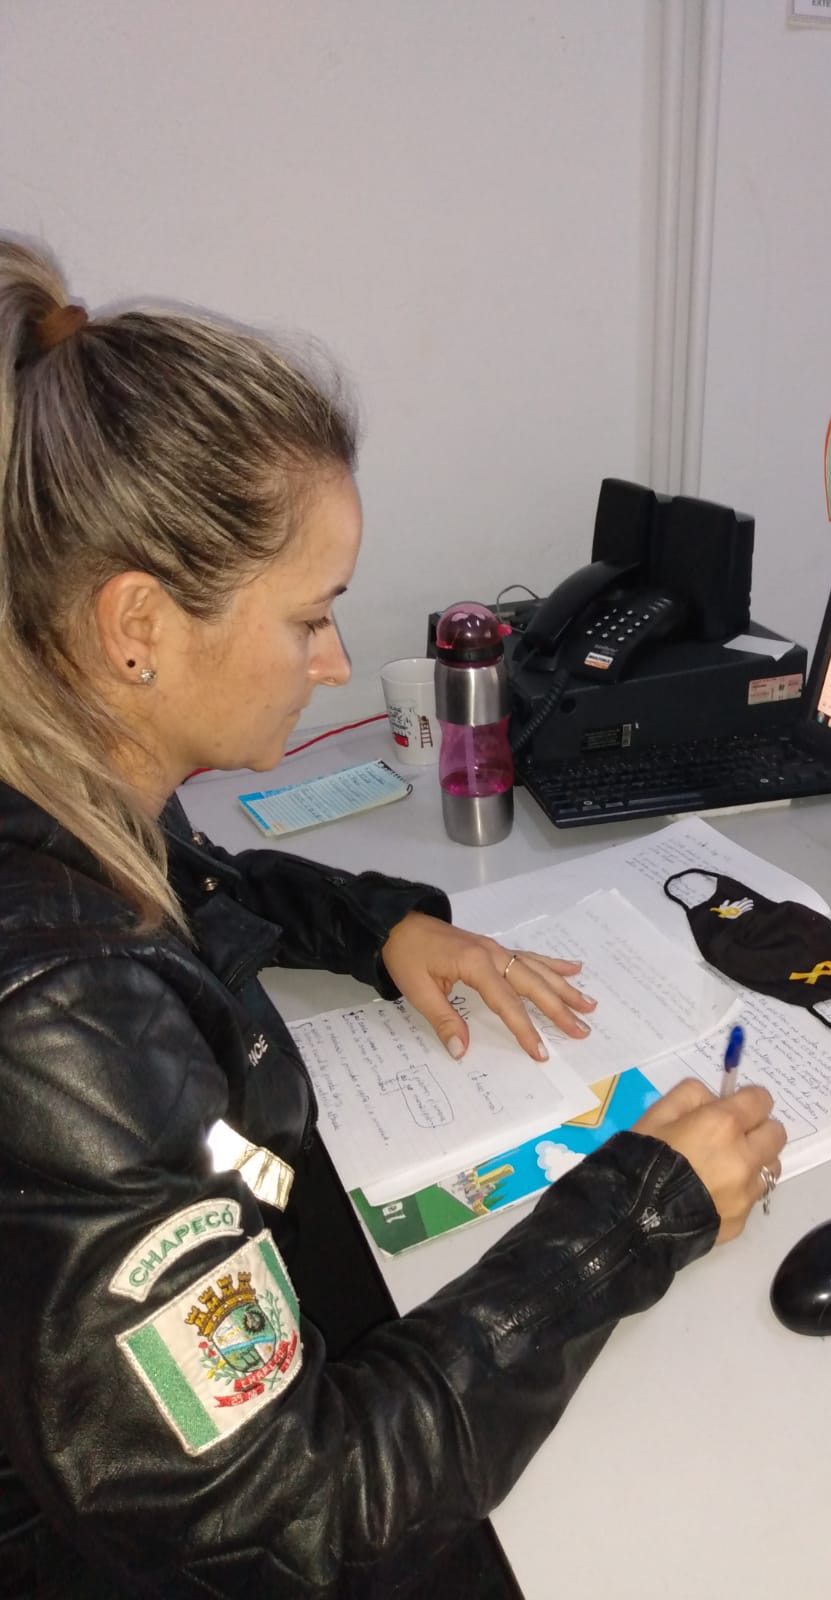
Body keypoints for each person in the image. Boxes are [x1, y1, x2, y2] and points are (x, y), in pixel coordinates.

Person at [0, 237, 785, 1598]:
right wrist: (636, 1214)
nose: (334, 663)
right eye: (309, 618)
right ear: (139, 625)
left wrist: (381, 928)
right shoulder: (63, 1020)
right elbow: (287, 1517)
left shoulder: (61, 781)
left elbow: (199, 882)